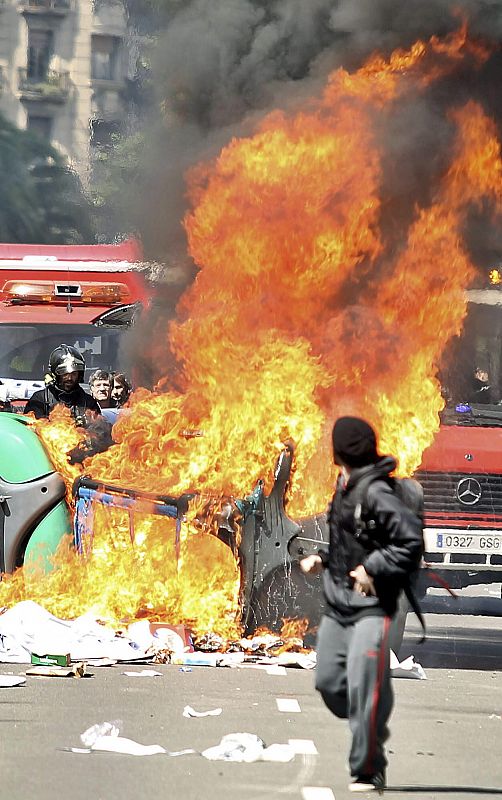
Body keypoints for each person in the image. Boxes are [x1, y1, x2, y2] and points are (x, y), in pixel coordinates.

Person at [300, 416, 423, 793]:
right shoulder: (345, 485)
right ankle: (370, 712)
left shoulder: (376, 492)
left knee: (364, 684)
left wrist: (372, 568)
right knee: (329, 683)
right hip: (339, 604)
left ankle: (368, 766)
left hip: (371, 605)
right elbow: (352, 541)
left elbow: (409, 541)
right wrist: (323, 559)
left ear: (339, 452)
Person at [24, 344, 101, 421]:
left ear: (79, 375)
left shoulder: (88, 402)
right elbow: (31, 425)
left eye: (74, 374)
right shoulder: (40, 399)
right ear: (55, 374)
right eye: (65, 374)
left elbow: (99, 429)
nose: (69, 378)